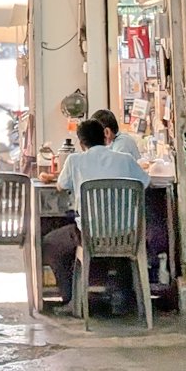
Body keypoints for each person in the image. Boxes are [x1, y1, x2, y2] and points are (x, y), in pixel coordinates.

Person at [40, 118, 149, 310]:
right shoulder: (126, 160)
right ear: (105, 137)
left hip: (90, 236)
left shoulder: (75, 160)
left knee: (50, 243)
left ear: (81, 143)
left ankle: (71, 300)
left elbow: (61, 185)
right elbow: (144, 182)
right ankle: (121, 295)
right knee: (115, 248)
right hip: (127, 235)